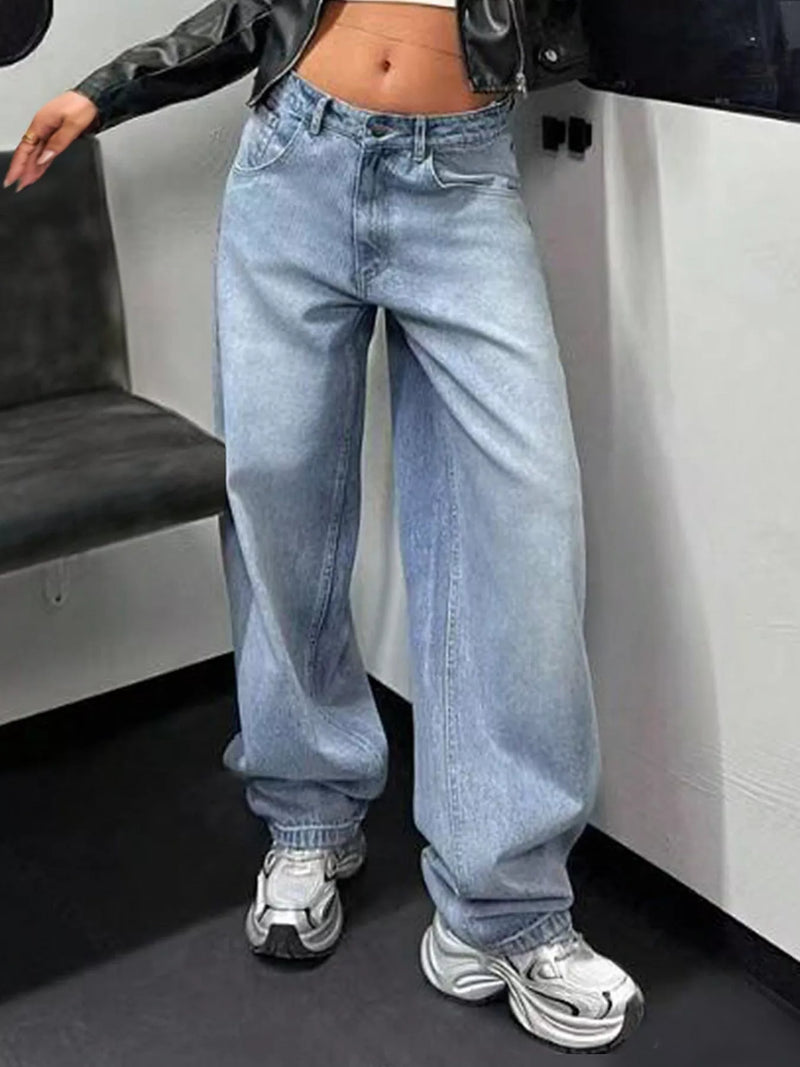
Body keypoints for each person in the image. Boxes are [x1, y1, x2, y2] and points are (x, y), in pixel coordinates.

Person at [3, 0, 645, 1052]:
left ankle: (504, 904)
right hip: (297, 157)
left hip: (462, 179)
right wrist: (106, 86)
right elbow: (255, 7)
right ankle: (306, 819)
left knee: (523, 533)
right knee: (281, 512)